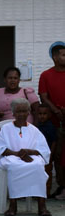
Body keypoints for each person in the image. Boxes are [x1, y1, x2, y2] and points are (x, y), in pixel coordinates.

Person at [0, 98, 51, 216]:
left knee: (38, 165)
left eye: (24, 111)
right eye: (18, 112)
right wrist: (18, 154)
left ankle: (42, 205)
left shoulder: (34, 130)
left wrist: (27, 152)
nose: (21, 114)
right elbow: (0, 149)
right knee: (14, 165)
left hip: (31, 156)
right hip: (11, 157)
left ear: (28, 112)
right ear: (13, 113)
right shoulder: (5, 129)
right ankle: (13, 205)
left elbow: (43, 150)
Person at [38, 41, 65, 198]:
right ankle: (61, 186)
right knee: (56, 155)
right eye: (63, 55)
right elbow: (43, 96)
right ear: (55, 57)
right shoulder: (46, 75)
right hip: (54, 122)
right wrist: (55, 110)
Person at [35, 104, 60, 197]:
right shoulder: (37, 126)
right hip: (38, 154)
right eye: (40, 113)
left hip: (47, 155)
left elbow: (54, 141)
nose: (42, 116)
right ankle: (37, 192)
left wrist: (50, 154)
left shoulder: (50, 127)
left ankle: (46, 193)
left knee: (47, 173)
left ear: (49, 115)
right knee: (37, 173)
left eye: (44, 114)